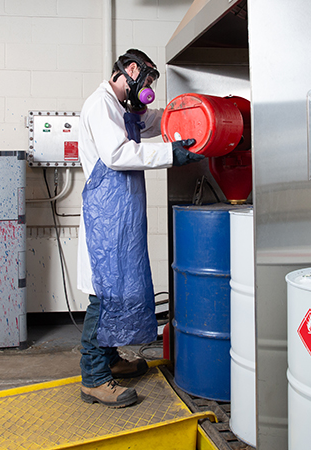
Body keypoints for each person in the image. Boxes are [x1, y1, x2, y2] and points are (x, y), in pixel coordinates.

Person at [77, 49, 204, 408]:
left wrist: (189, 116)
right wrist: (169, 154)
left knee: (120, 293)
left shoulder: (122, 109)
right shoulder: (100, 105)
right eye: (146, 81)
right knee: (103, 298)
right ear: (130, 70)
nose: (146, 89)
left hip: (121, 216)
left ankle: (111, 360)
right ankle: (93, 378)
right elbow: (118, 154)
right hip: (105, 219)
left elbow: (154, 121)